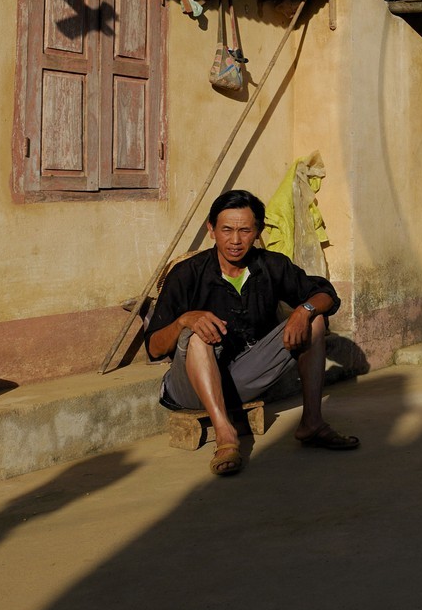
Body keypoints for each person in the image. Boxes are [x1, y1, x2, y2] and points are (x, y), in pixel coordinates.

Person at [146, 189, 359, 476]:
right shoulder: (187, 273)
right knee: (196, 335)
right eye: (227, 230)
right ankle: (225, 436)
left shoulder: (270, 265)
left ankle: (312, 423)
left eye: (245, 230)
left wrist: (303, 311)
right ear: (211, 230)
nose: (235, 241)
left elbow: (326, 295)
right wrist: (185, 319)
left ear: (257, 231)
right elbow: (155, 348)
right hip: (187, 388)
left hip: (239, 381)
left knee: (315, 321)